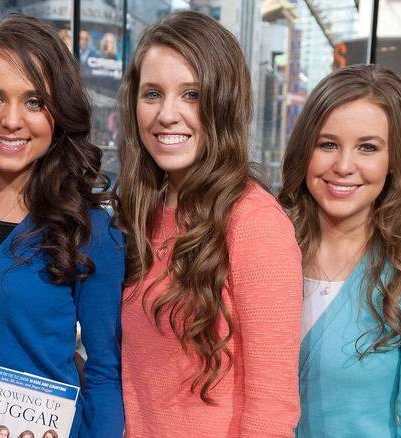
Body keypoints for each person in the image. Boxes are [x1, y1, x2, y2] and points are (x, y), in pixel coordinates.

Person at [0, 13, 124, 438]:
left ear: (60, 113)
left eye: (35, 102)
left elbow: (105, 371)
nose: (12, 120)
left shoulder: (90, 230)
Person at [114, 9, 302, 436]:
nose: (167, 114)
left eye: (192, 95)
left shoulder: (255, 222)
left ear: (225, 102)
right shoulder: (141, 211)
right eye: (152, 94)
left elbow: (272, 411)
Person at [278, 64, 401, 436]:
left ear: (395, 160)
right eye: (328, 144)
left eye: (368, 147)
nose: (344, 166)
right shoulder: (267, 252)